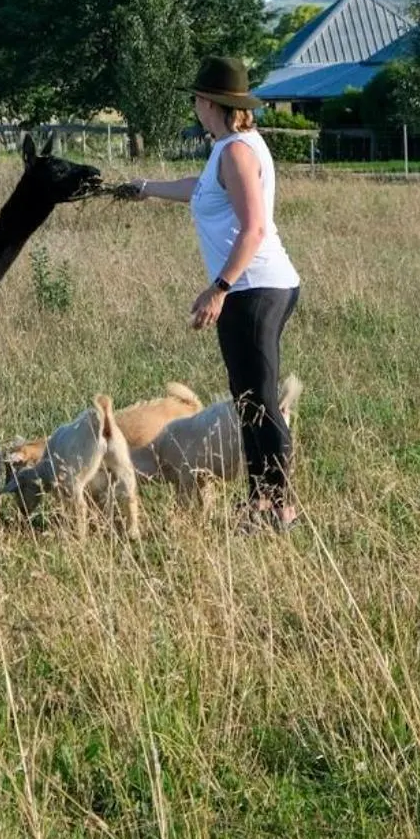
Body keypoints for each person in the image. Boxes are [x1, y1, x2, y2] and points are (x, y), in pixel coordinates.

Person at [119, 56, 302, 529]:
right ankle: (261, 501)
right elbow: (198, 189)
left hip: (256, 286)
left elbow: (254, 229)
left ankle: (281, 506)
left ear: (212, 103)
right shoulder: (228, 148)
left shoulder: (238, 151)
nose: (195, 106)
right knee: (248, 399)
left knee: (259, 398)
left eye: (198, 99)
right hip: (248, 287)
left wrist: (218, 288)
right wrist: (145, 188)